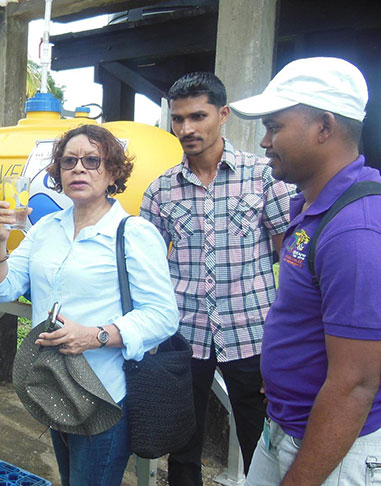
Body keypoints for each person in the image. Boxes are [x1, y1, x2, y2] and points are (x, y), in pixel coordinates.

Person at [0, 124, 180, 486]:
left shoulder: (133, 234)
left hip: (104, 394)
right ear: (57, 171)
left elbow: (164, 316)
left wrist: (93, 336)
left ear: (113, 171)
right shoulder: (45, 230)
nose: (78, 169)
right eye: (69, 161)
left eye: (92, 160)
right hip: (56, 387)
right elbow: (0, 291)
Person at [229, 57, 381, 486]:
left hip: (333, 451)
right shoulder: (313, 205)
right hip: (282, 426)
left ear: (325, 127)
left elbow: (356, 384)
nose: (263, 141)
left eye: (275, 126)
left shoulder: (357, 229)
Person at [139, 72, 294, 485]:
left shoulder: (263, 178)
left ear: (223, 115)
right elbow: (148, 268)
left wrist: (289, 336)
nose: (187, 129)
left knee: (262, 438)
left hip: (254, 333)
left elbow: (290, 257)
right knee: (183, 442)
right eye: (178, 119)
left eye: (198, 116)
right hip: (185, 332)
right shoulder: (160, 191)